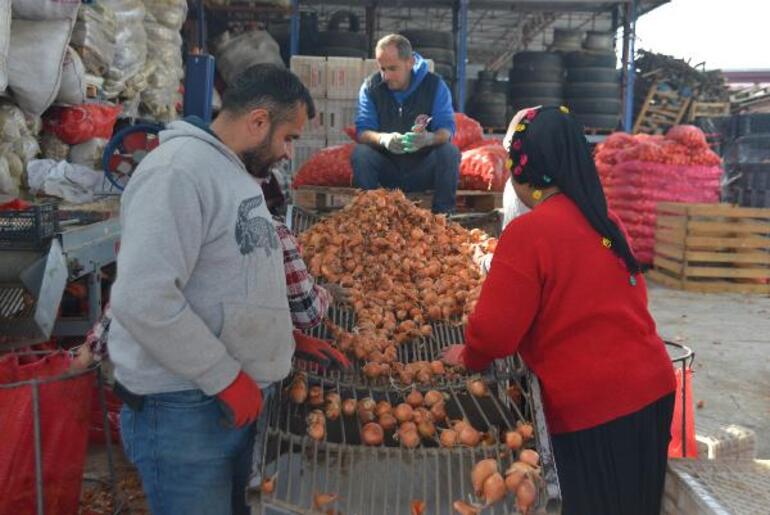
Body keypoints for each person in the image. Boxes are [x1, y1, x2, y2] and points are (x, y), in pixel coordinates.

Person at [106, 64, 347, 515]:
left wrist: (283, 337)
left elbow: (231, 275)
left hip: (224, 400)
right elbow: (144, 300)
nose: (289, 154)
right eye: (288, 138)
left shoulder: (234, 174)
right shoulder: (177, 172)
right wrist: (226, 377)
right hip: (183, 408)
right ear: (258, 121)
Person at [443, 106, 677, 515]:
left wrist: (469, 355)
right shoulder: (607, 224)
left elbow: (494, 334)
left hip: (596, 406)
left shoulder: (529, 233)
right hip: (653, 390)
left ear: (519, 170)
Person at [352, 34, 459, 213]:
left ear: (409, 62)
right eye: (382, 68)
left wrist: (429, 138)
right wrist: (383, 139)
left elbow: (447, 129)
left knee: (449, 152)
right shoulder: (370, 87)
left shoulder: (434, 86)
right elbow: (362, 131)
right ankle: (369, 216)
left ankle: (444, 216)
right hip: (387, 170)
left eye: (392, 68)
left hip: (422, 169)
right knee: (361, 154)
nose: (385, 76)